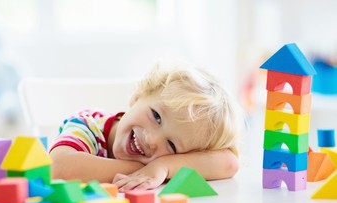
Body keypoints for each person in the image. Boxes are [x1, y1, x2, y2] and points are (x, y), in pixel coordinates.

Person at [49, 62, 243, 192]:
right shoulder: (88, 125)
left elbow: (229, 163)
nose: (151, 140)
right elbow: (59, 169)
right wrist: (146, 168)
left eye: (172, 145)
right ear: (139, 95)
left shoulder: (162, 164)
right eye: (156, 116)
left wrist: (163, 166)